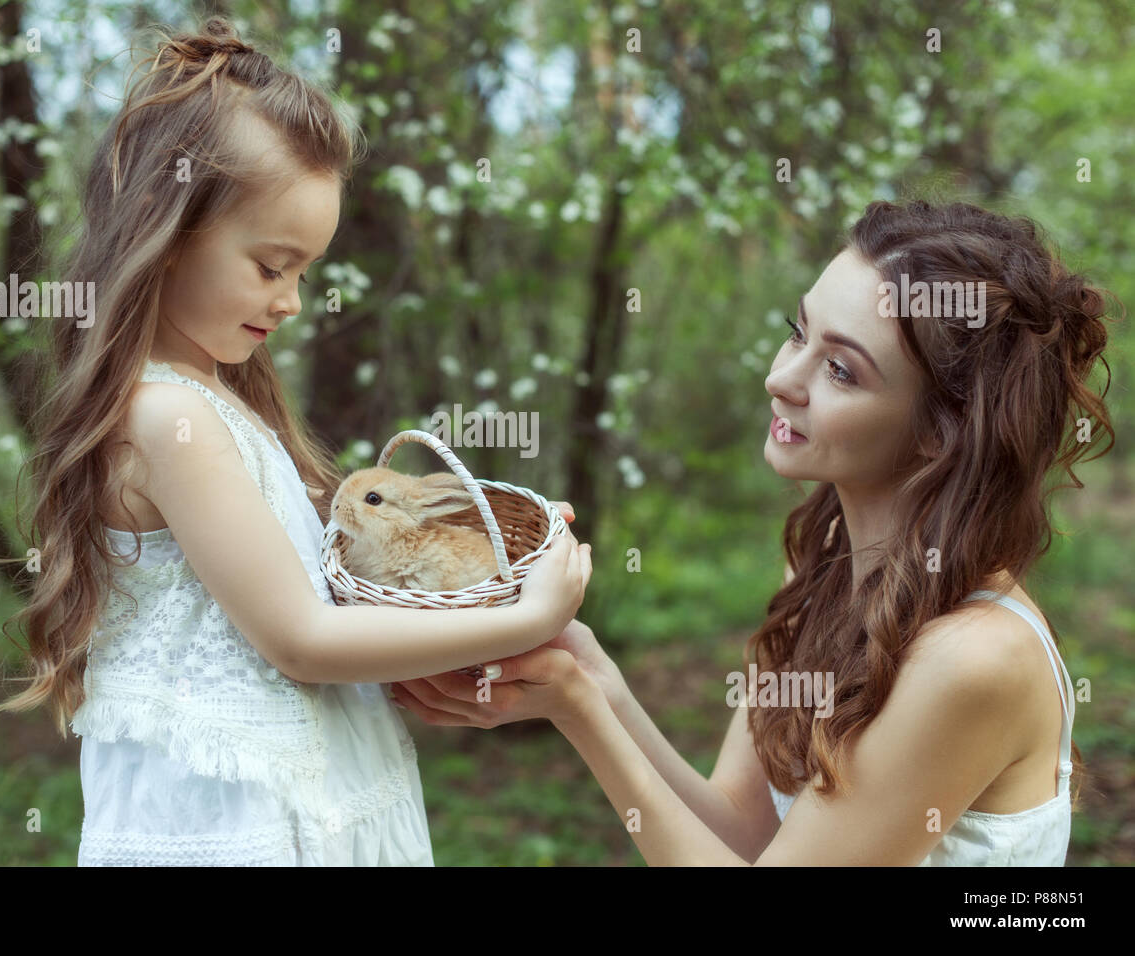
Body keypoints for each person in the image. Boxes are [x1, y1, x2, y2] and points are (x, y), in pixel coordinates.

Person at [0, 17, 591, 866]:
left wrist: (473, 578)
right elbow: (298, 640)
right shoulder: (166, 419)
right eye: (271, 266)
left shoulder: (218, 405)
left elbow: (308, 612)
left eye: (306, 272)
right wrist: (532, 612)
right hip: (237, 828)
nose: (292, 300)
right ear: (168, 230)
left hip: (315, 802)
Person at [390, 198, 1116, 865]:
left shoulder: (975, 658)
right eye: (797, 332)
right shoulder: (826, 570)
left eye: (839, 368)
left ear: (940, 432)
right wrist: (595, 680)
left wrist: (580, 714)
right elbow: (740, 828)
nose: (781, 378)